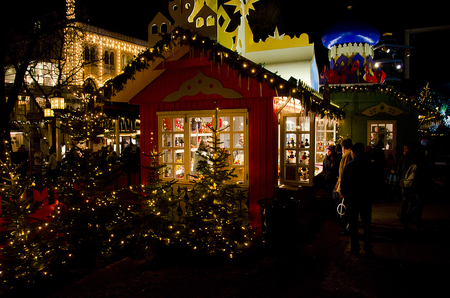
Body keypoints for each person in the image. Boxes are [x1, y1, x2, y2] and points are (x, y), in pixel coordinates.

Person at [340, 142, 375, 257]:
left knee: (353, 224)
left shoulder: (349, 166)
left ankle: (355, 247)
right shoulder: (370, 165)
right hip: (366, 198)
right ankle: (368, 247)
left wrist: (346, 196)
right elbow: (375, 182)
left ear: (353, 153)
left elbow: (344, 184)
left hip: (352, 200)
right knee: (366, 224)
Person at [334, 138, 353, 234]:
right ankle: (347, 224)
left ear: (343, 147)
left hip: (345, 185)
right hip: (347, 185)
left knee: (345, 206)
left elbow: (344, 173)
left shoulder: (346, 156)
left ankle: (347, 226)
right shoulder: (351, 154)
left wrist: (340, 187)